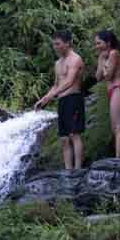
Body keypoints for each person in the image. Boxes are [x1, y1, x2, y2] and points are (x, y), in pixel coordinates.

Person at [33, 31, 88, 170]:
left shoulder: (75, 59)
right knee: (64, 138)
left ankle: (78, 169)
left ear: (67, 43)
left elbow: (69, 82)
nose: (55, 47)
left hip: (74, 99)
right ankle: (68, 170)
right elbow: (56, 85)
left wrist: (52, 96)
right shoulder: (58, 63)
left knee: (74, 134)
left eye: (58, 44)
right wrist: (44, 99)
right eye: (54, 44)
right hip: (62, 101)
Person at [93, 30, 120, 159]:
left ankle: (118, 159)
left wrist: (104, 63)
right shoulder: (103, 56)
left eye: (99, 43)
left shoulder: (114, 53)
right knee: (115, 128)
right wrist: (101, 60)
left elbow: (108, 76)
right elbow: (98, 77)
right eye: (95, 44)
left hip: (118, 89)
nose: (96, 46)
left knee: (118, 127)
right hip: (113, 91)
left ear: (108, 43)